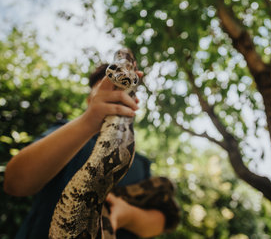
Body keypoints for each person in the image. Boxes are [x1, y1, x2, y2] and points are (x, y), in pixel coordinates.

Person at [4, 64, 166, 238]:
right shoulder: (65, 132)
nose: (116, 96)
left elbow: (159, 222)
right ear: (90, 101)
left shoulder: (139, 163)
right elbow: (15, 183)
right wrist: (89, 121)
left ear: (133, 103)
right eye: (109, 91)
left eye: (124, 92)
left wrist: (128, 216)